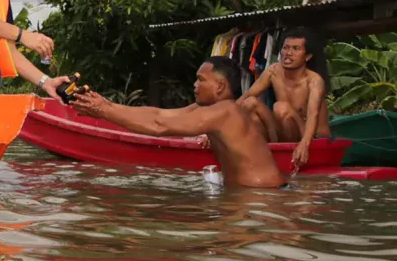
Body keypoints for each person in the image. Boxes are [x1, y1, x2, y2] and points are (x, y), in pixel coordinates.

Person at [71, 57, 285, 188]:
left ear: (220, 86)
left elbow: (159, 126)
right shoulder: (210, 109)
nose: (194, 85)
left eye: (201, 80)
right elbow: (160, 115)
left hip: (264, 198)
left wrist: (104, 111)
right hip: (254, 196)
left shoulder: (226, 111)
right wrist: (106, 105)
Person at [238, 28, 330, 167]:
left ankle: (272, 153)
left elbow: (313, 114)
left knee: (280, 107)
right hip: (282, 133)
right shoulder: (273, 71)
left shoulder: (314, 81)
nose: (288, 53)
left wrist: (304, 145)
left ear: (308, 56)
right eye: (285, 48)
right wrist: (217, 128)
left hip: (312, 139)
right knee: (250, 103)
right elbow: (246, 96)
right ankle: (265, 155)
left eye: (296, 49)